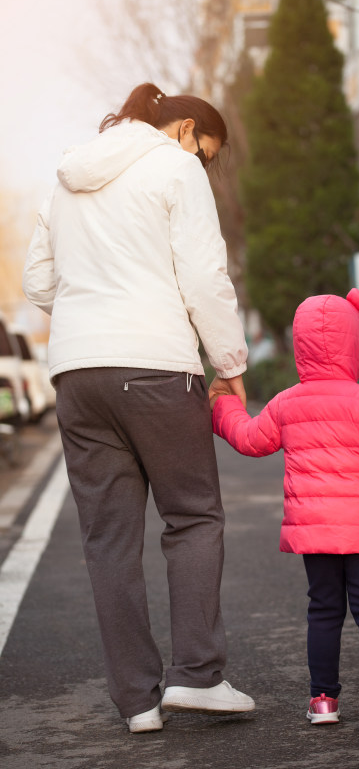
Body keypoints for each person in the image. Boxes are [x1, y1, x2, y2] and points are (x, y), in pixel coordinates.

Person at [23, 82, 255, 733]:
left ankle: (138, 702)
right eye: (206, 151)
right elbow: (204, 277)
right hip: (155, 365)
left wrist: (91, 309)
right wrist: (230, 365)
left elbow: (38, 281)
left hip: (76, 372)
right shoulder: (175, 167)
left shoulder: (68, 174)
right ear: (183, 130)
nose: (204, 163)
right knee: (192, 517)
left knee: (108, 540)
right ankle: (199, 677)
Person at [211, 289, 359, 731]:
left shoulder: (287, 402)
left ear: (301, 346)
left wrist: (223, 405)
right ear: (354, 345)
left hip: (316, 533)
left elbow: (249, 439)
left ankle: (323, 700)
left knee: (323, 610)